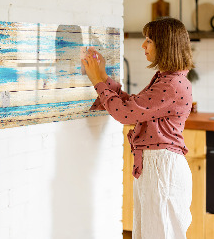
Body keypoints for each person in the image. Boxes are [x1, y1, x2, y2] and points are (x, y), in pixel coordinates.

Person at [82, 17, 194, 239]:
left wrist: (97, 81)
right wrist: (103, 76)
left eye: (149, 40)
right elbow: (133, 106)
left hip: (162, 169)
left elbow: (125, 114)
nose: (143, 45)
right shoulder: (167, 79)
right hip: (157, 166)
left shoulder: (171, 84)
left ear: (165, 45)